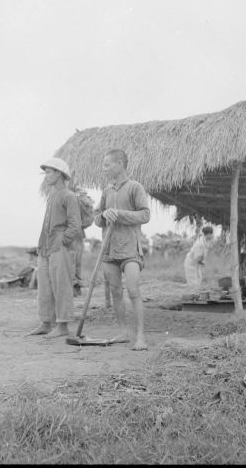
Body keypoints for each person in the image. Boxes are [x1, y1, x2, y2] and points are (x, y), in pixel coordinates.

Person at [95, 149, 150, 351]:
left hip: (130, 248)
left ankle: (141, 337)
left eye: (107, 164)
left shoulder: (135, 187)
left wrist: (119, 214)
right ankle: (123, 332)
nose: (104, 168)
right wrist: (104, 216)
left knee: (133, 291)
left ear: (120, 163)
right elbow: (96, 218)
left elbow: (145, 215)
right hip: (109, 249)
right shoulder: (106, 191)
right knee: (116, 291)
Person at [28, 158, 81, 339]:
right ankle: (45, 323)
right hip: (46, 247)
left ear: (59, 173)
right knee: (44, 286)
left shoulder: (68, 196)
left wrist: (62, 241)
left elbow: (75, 226)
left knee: (61, 286)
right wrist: (43, 244)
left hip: (59, 247)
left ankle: (63, 325)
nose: (46, 176)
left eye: (49, 172)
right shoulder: (52, 196)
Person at [183, 225, 214, 294]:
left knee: (199, 279)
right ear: (208, 234)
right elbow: (197, 258)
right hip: (191, 264)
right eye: (211, 234)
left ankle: (195, 295)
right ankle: (192, 298)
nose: (212, 235)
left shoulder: (205, 241)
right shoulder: (200, 243)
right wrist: (203, 263)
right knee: (193, 282)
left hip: (196, 264)